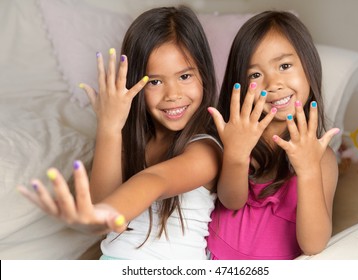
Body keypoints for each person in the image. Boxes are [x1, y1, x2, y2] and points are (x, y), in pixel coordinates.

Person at [17, 6, 222, 260]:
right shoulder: (133, 142)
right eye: (155, 82)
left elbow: (156, 181)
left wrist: (100, 213)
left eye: (185, 76)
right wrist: (109, 128)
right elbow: (102, 205)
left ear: (204, 73)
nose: (173, 94)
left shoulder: (206, 149)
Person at [206, 10, 340, 260]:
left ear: (309, 66)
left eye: (285, 66)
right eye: (255, 75)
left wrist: (309, 170)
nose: (273, 83)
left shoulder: (322, 157)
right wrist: (236, 154)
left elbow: (314, 245)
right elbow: (231, 201)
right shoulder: (240, 135)